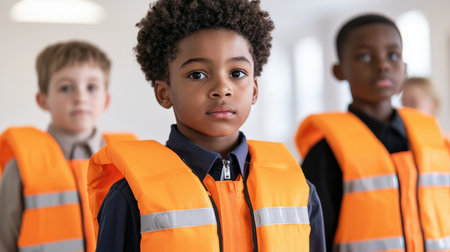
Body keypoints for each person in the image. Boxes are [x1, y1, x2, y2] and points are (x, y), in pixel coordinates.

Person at [87, 0, 326, 251]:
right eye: (197, 74)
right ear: (164, 93)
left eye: (237, 73)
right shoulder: (130, 196)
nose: (222, 88)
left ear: (254, 90)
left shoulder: (298, 189)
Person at [295, 14, 450, 252]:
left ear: (405, 68)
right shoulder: (326, 153)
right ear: (339, 70)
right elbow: (313, 240)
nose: (382, 65)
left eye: (393, 55)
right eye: (364, 56)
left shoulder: (436, 141)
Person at [0, 40, 136, 252]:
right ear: (43, 100)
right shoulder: (19, 168)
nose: (80, 97)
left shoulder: (130, 161)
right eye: (66, 88)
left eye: (91, 87)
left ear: (106, 100)